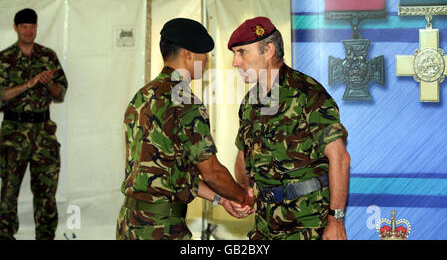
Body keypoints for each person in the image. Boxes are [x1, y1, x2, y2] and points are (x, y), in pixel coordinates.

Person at [116, 18, 255, 240]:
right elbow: (212, 172)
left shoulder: (142, 96)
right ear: (188, 54)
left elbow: (173, 174)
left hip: (130, 223)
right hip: (161, 228)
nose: (207, 61)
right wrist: (243, 198)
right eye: (204, 55)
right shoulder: (185, 102)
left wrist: (221, 199)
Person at [228, 16, 350, 240]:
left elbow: (340, 158)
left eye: (242, 52)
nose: (235, 62)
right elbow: (243, 157)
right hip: (264, 224)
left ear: (268, 50)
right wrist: (244, 192)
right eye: (234, 54)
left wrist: (336, 219)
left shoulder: (308, 93)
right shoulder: (249, 103)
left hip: (306, 223)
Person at [0, 8, 68, 240]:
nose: (29, 31)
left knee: (46, 191)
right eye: (24, 27)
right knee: (9, 191)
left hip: (43, 133)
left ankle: (46, 236)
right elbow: (1, 96)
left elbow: (60, 94)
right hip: (14, 133)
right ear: (16, 28)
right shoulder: (4, 58)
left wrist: (48, 84)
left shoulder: (48, 56)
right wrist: (28, 84)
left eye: (32, 26)